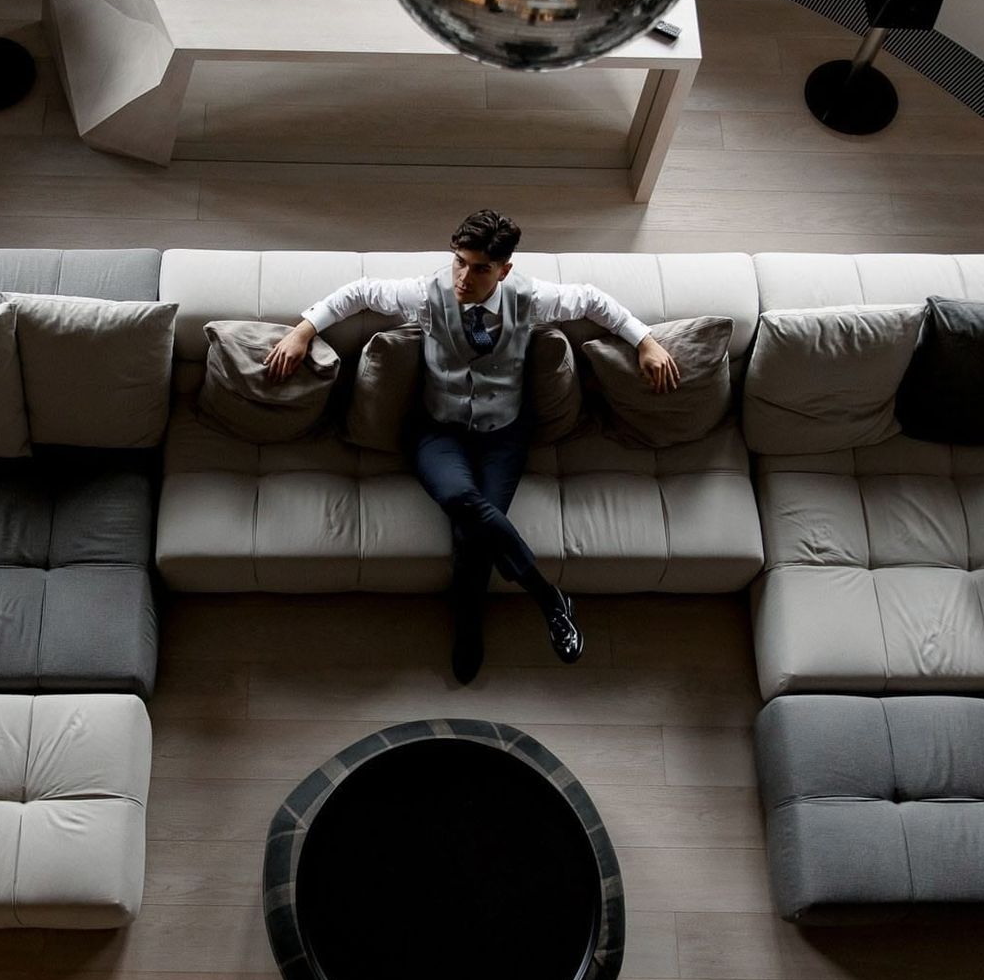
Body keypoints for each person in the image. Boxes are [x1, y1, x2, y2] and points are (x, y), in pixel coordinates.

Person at [264, 210, 681, 684]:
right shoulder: (427, 295)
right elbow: (359, 293)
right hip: (438, 430)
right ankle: (549, 598)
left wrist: (645, 340)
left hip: (503, 434)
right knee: (461, 498)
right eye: (459, 262)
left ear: (503, 270)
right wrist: (302, 331)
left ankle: (468, 628)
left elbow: (590, 300)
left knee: (474, 535)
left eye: (480, 268)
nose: (464, 277)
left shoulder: (529, 299)